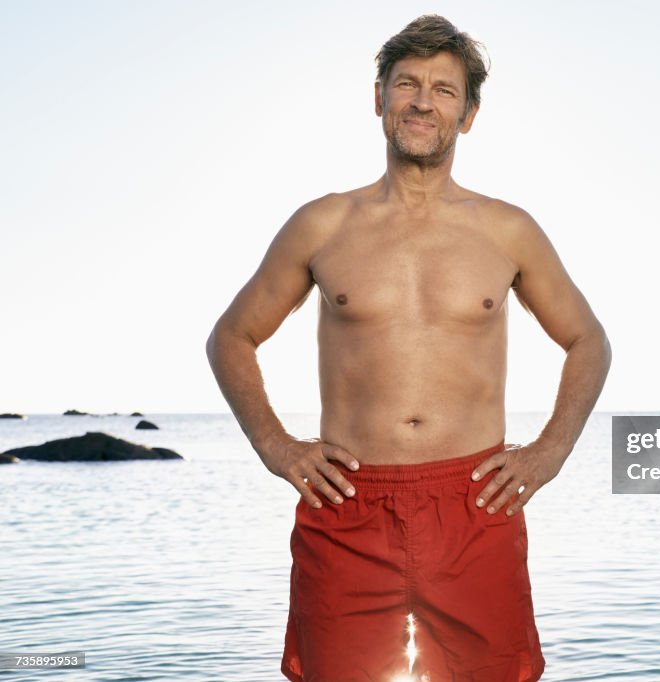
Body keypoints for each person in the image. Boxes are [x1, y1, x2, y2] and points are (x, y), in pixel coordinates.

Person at [206, 14, 610, 682]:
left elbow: (587, 340)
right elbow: (232, 336)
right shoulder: (323, 224)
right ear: (379, 99)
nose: (423, 100)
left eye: (445, 89)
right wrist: (278, 447)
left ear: (469, 114)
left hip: (475, 503)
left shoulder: (508, 230)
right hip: (346, 505)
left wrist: (550, 451)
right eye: (407, 84)